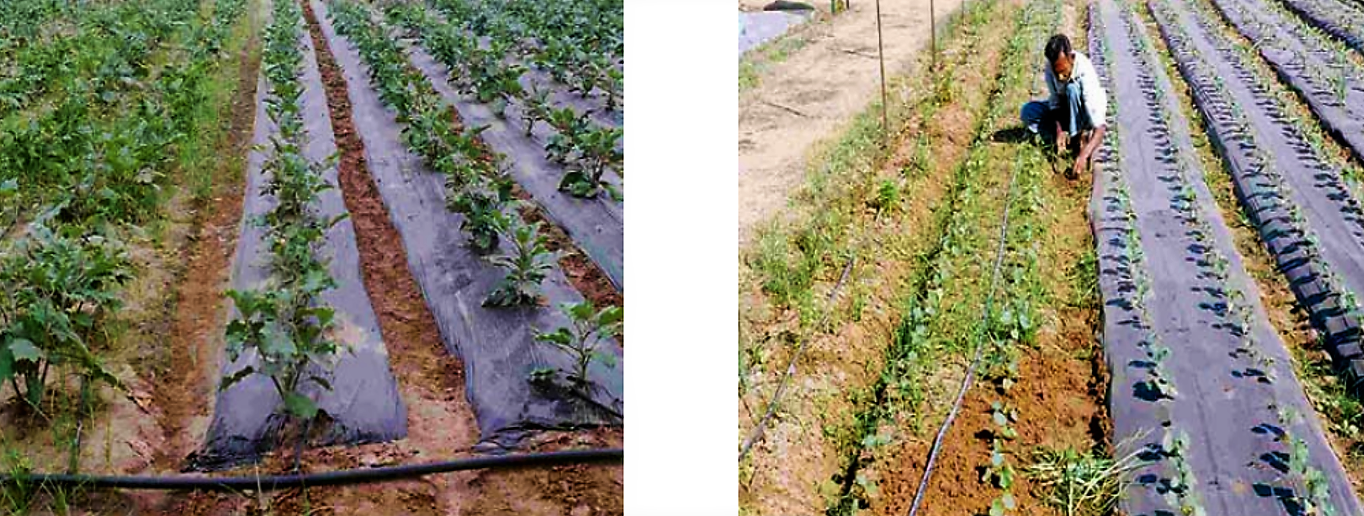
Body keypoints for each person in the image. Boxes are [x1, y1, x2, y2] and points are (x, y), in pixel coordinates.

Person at [1020, 34, 1108, 179]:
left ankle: (1078, 139)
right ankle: (1060, 138)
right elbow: (1055, 102)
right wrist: (1059, 130)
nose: (1060, 77)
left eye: (1063, 71)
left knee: (1072, 89)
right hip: (1066, 111)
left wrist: (1083, 156)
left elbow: (1101, 127)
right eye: (1056, 72)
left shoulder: (1085, 72)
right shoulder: (1051, 67)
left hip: (1085, 115)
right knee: (1028, 112)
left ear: (1070, 57)